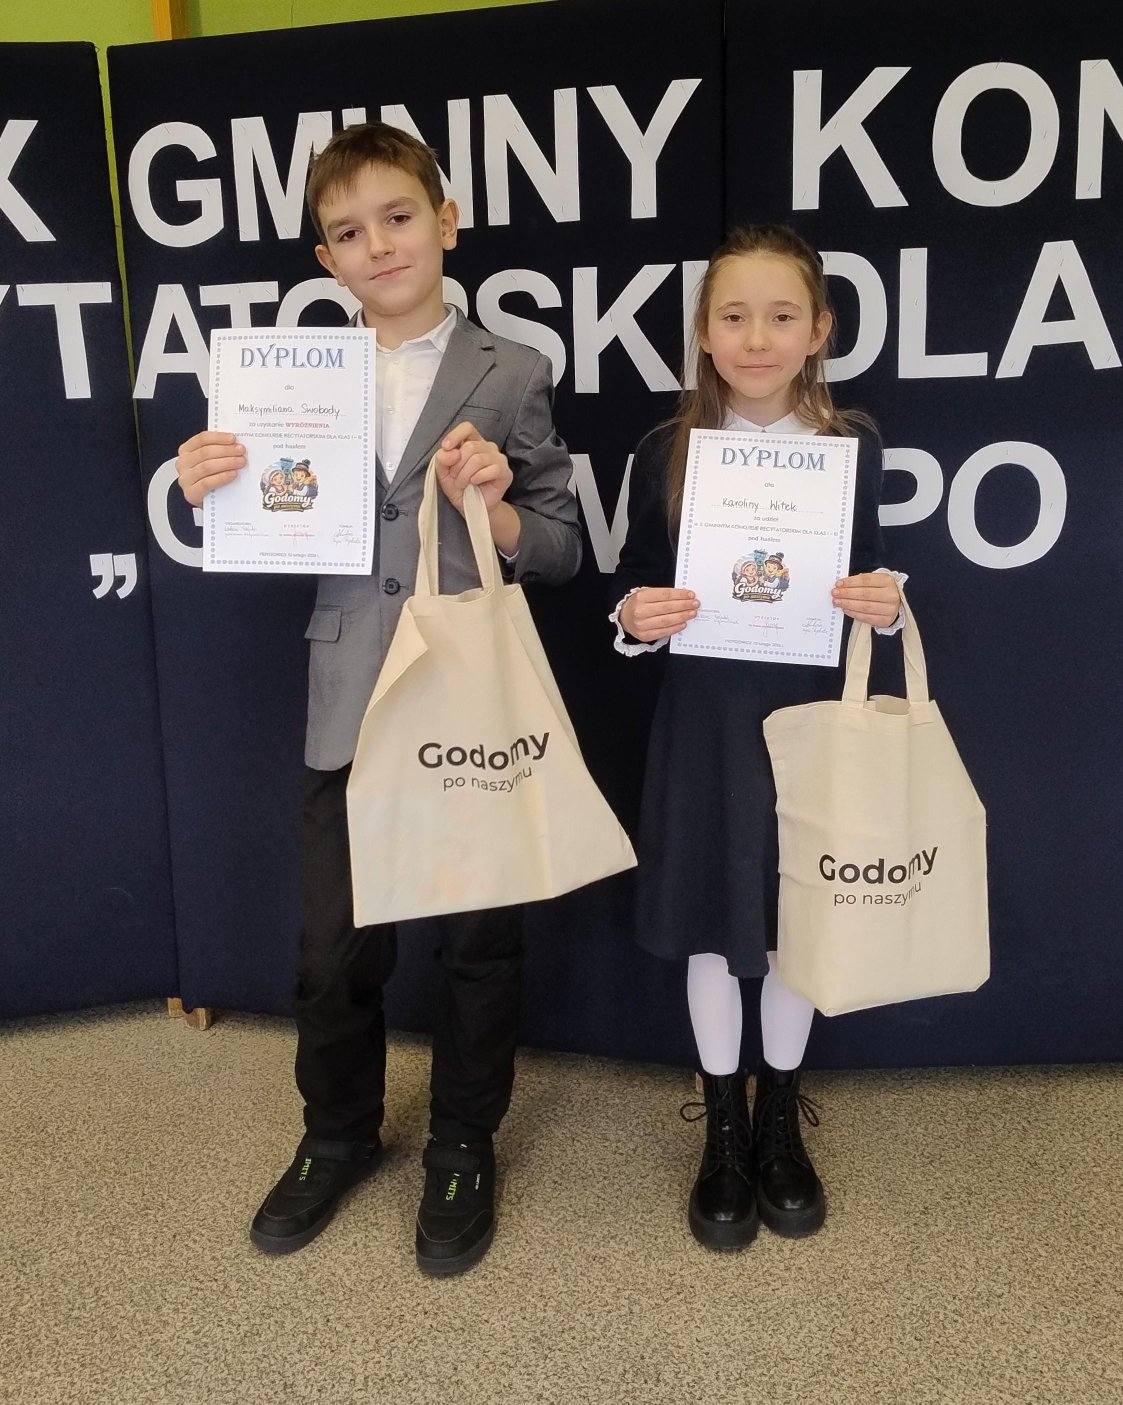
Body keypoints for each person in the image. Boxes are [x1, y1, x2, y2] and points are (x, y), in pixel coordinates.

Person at [175, 122, 580, 1275]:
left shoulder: (513, 371)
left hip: (467, 701)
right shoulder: (290, 383)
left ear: (445, 223)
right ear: (326, 260)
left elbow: (560, 545)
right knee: (332, 951)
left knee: (477, 946)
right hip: (350, 697)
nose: (379, 245)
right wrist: (212, 487)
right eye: (349, 233)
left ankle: (462, 1140)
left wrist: (498, 509)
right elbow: (266, 523)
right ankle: (337, 1132)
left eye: (399, 217)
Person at [609, 224, 906, 1250]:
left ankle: (778, 1115)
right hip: (703, 720)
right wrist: (634, 617)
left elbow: (871, 573)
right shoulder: (664, 451)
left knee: (791, 925)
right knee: (708, 921)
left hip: (808, 720)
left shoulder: (852, 446)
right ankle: (722, 1132)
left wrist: (886, 601)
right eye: (732, 316)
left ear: (818, 330)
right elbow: (632, 585)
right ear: (703, 331)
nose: (755, 337)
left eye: (780, 316)